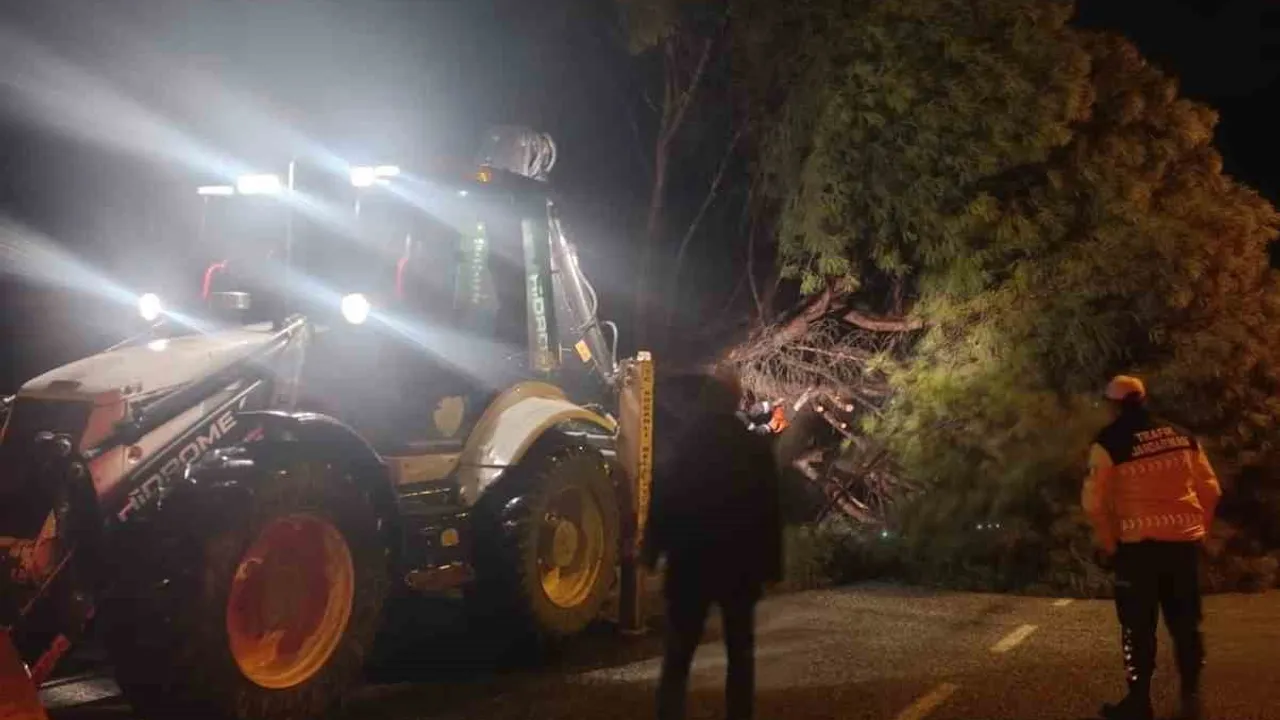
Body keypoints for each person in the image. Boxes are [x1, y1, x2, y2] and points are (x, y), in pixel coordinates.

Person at [643, 368, 784, 720]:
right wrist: (772, 565)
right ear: (735, 402)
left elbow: (663, 499)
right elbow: (769, 508)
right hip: (739, 568)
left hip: (690, 564)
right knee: (739, 657)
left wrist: (651, 550)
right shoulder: (753, 447)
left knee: (678, 657)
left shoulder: (685, 445)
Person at [1082, 375, 1222, 720]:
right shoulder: (1182, 436)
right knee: (1186, 623)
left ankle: (1139, 702)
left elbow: (1093, 504)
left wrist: (1109, 542)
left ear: (1112, 404)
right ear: (1143, 398)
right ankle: (1190, 696)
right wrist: (1200, 530)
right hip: (1184, 546)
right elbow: (1211, 490)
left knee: (1137, 626)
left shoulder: (1109, 442)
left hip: (1138, 549)